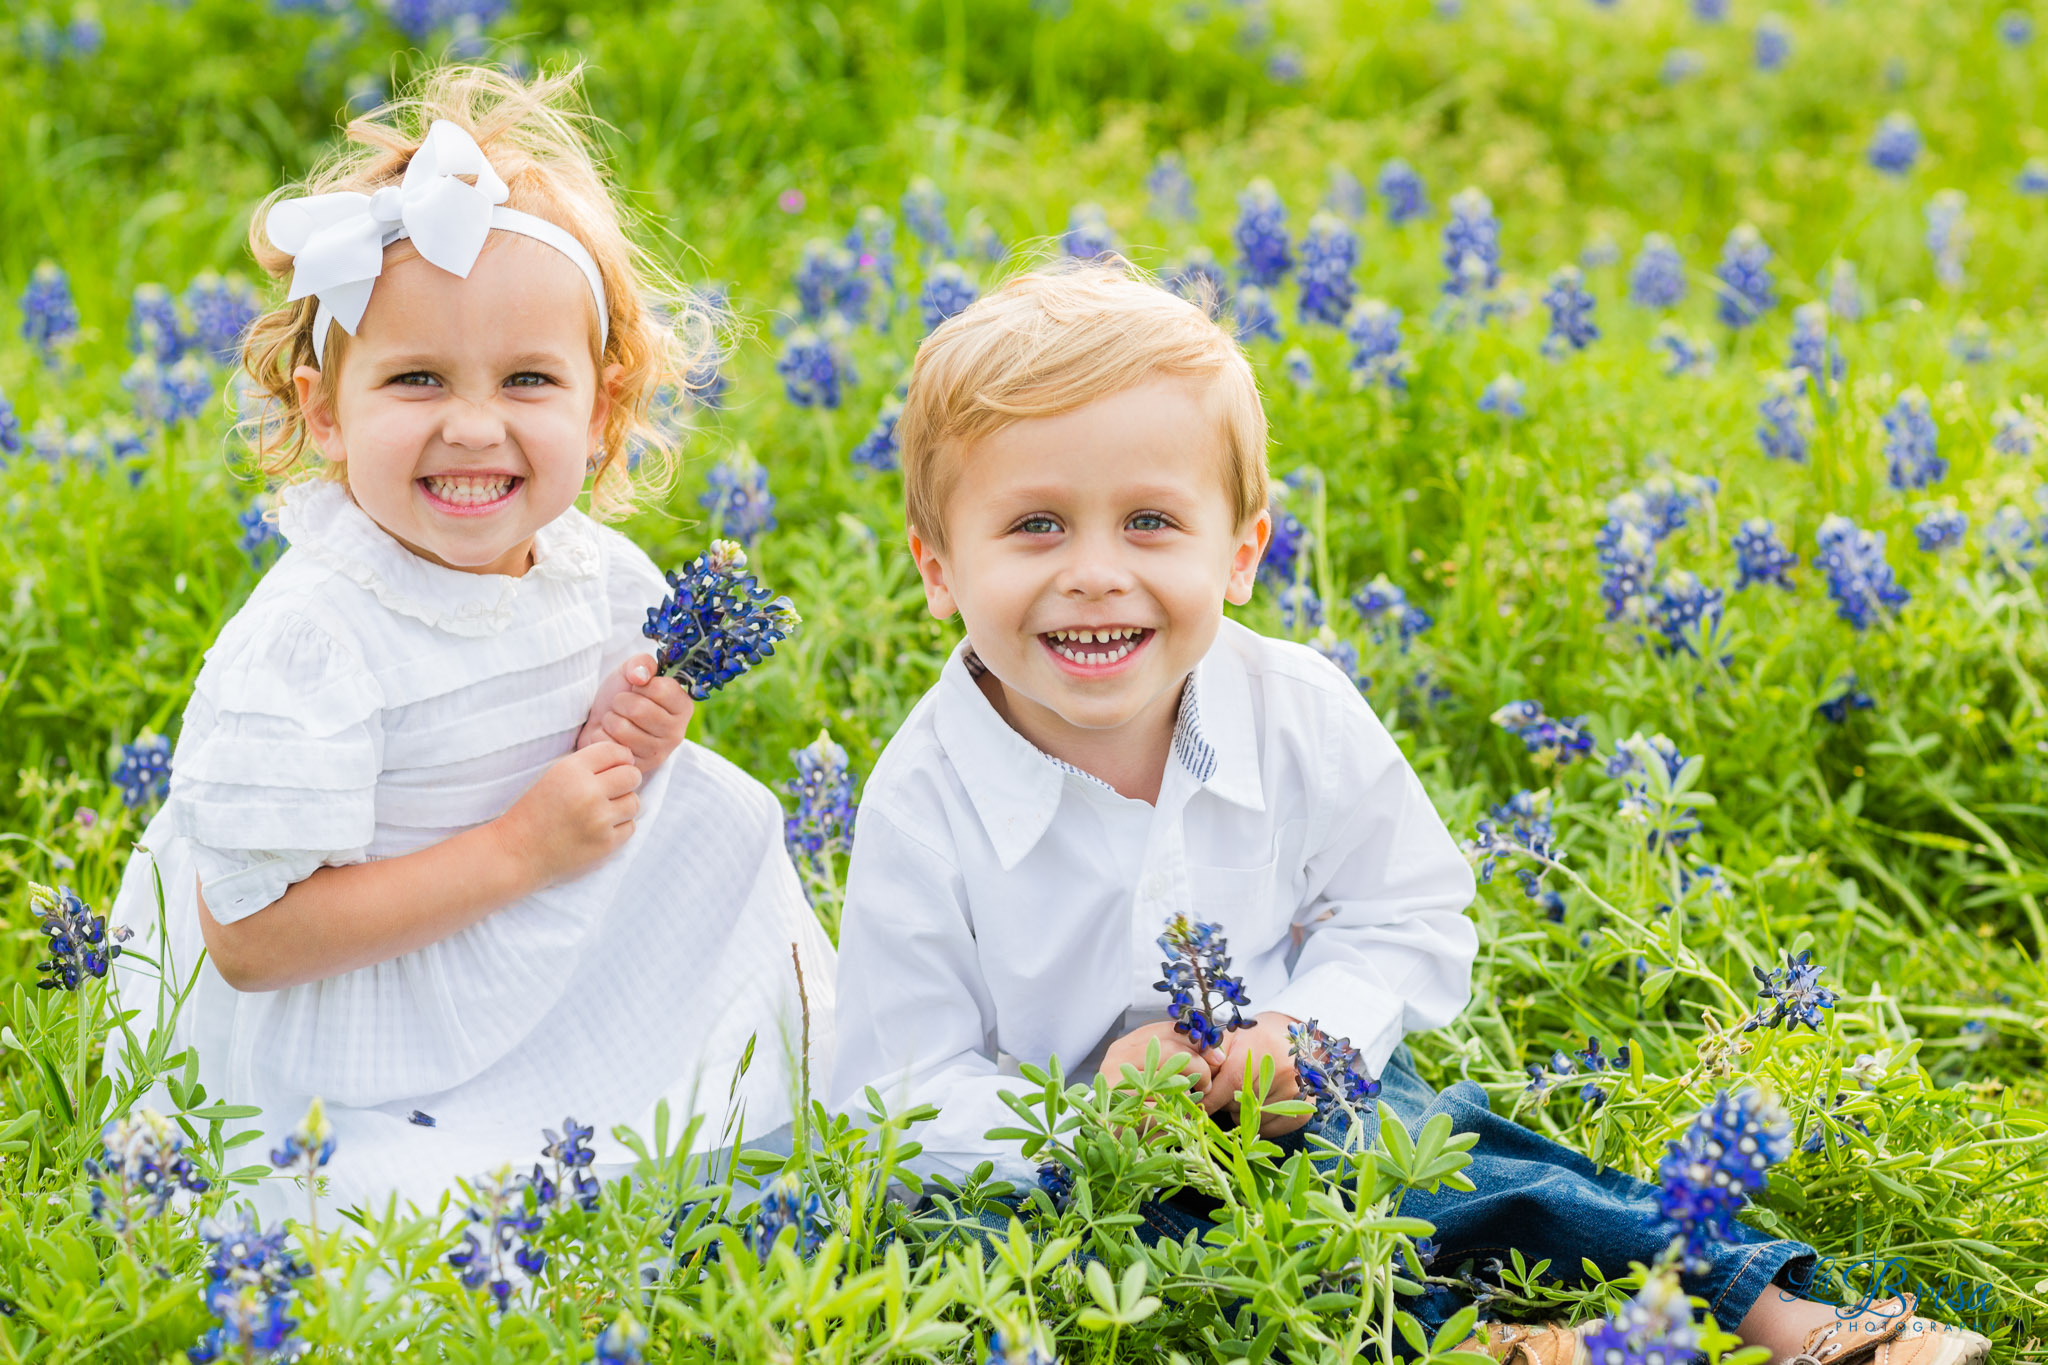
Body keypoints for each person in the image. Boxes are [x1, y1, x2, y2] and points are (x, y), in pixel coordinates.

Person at [828, 262, 1989, 1365]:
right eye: (1034, 526)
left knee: (1467, 1170)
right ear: (937, 570)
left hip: (1296, 1114)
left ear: (1241, 553)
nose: (1093, 572)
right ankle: (1504, 1343)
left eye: (1148, 524)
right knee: (1049, 1265)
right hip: (1068, 1177)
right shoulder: (924, 799)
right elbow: (896, 1091)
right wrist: (1080, 1120)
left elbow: (1408, 911)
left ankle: (1789, 1322)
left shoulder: (1295, 708)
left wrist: (1313, 1032)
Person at [108, 64, 833, 1230]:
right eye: (416, 379)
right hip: (346, 1005)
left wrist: (629, 738)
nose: (474, 424)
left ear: (599, 412)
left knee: (727, 834)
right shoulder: (310, 642)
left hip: (534, 945)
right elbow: (246, 942)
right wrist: (515, 851)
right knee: (387, 1223)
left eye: (528, 380)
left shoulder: (598, 577)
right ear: (325, 410)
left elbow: (580, 751)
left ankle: (681, 1132)